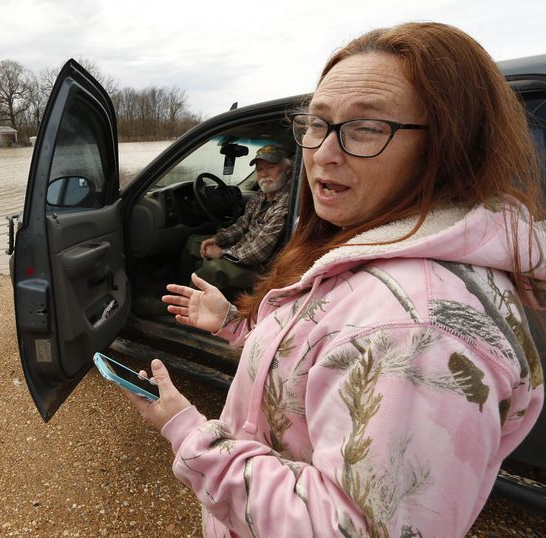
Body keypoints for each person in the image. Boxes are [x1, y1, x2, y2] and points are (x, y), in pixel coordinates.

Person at [124, 22, 545, 537]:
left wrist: (186, 430)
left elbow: (341, 528)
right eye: (317, 124)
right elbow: (324, 353)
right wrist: (237, 325)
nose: (323, 152)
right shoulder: (371, 254)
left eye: (365, 128)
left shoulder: (415, 332)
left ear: (449, 147)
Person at [179, 144, 293, 290]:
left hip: (262, 268)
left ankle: (185, 306)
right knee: (194, 242)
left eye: (270, 167)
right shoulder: (262, 194)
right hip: (243, 249)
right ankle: (181, 289)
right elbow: (242, 225)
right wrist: (217, 239)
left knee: (214, 269)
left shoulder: (286, 203)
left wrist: (221, 253)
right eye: (260, 169)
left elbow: (258, 253)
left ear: (287, 169)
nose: (264, 174)